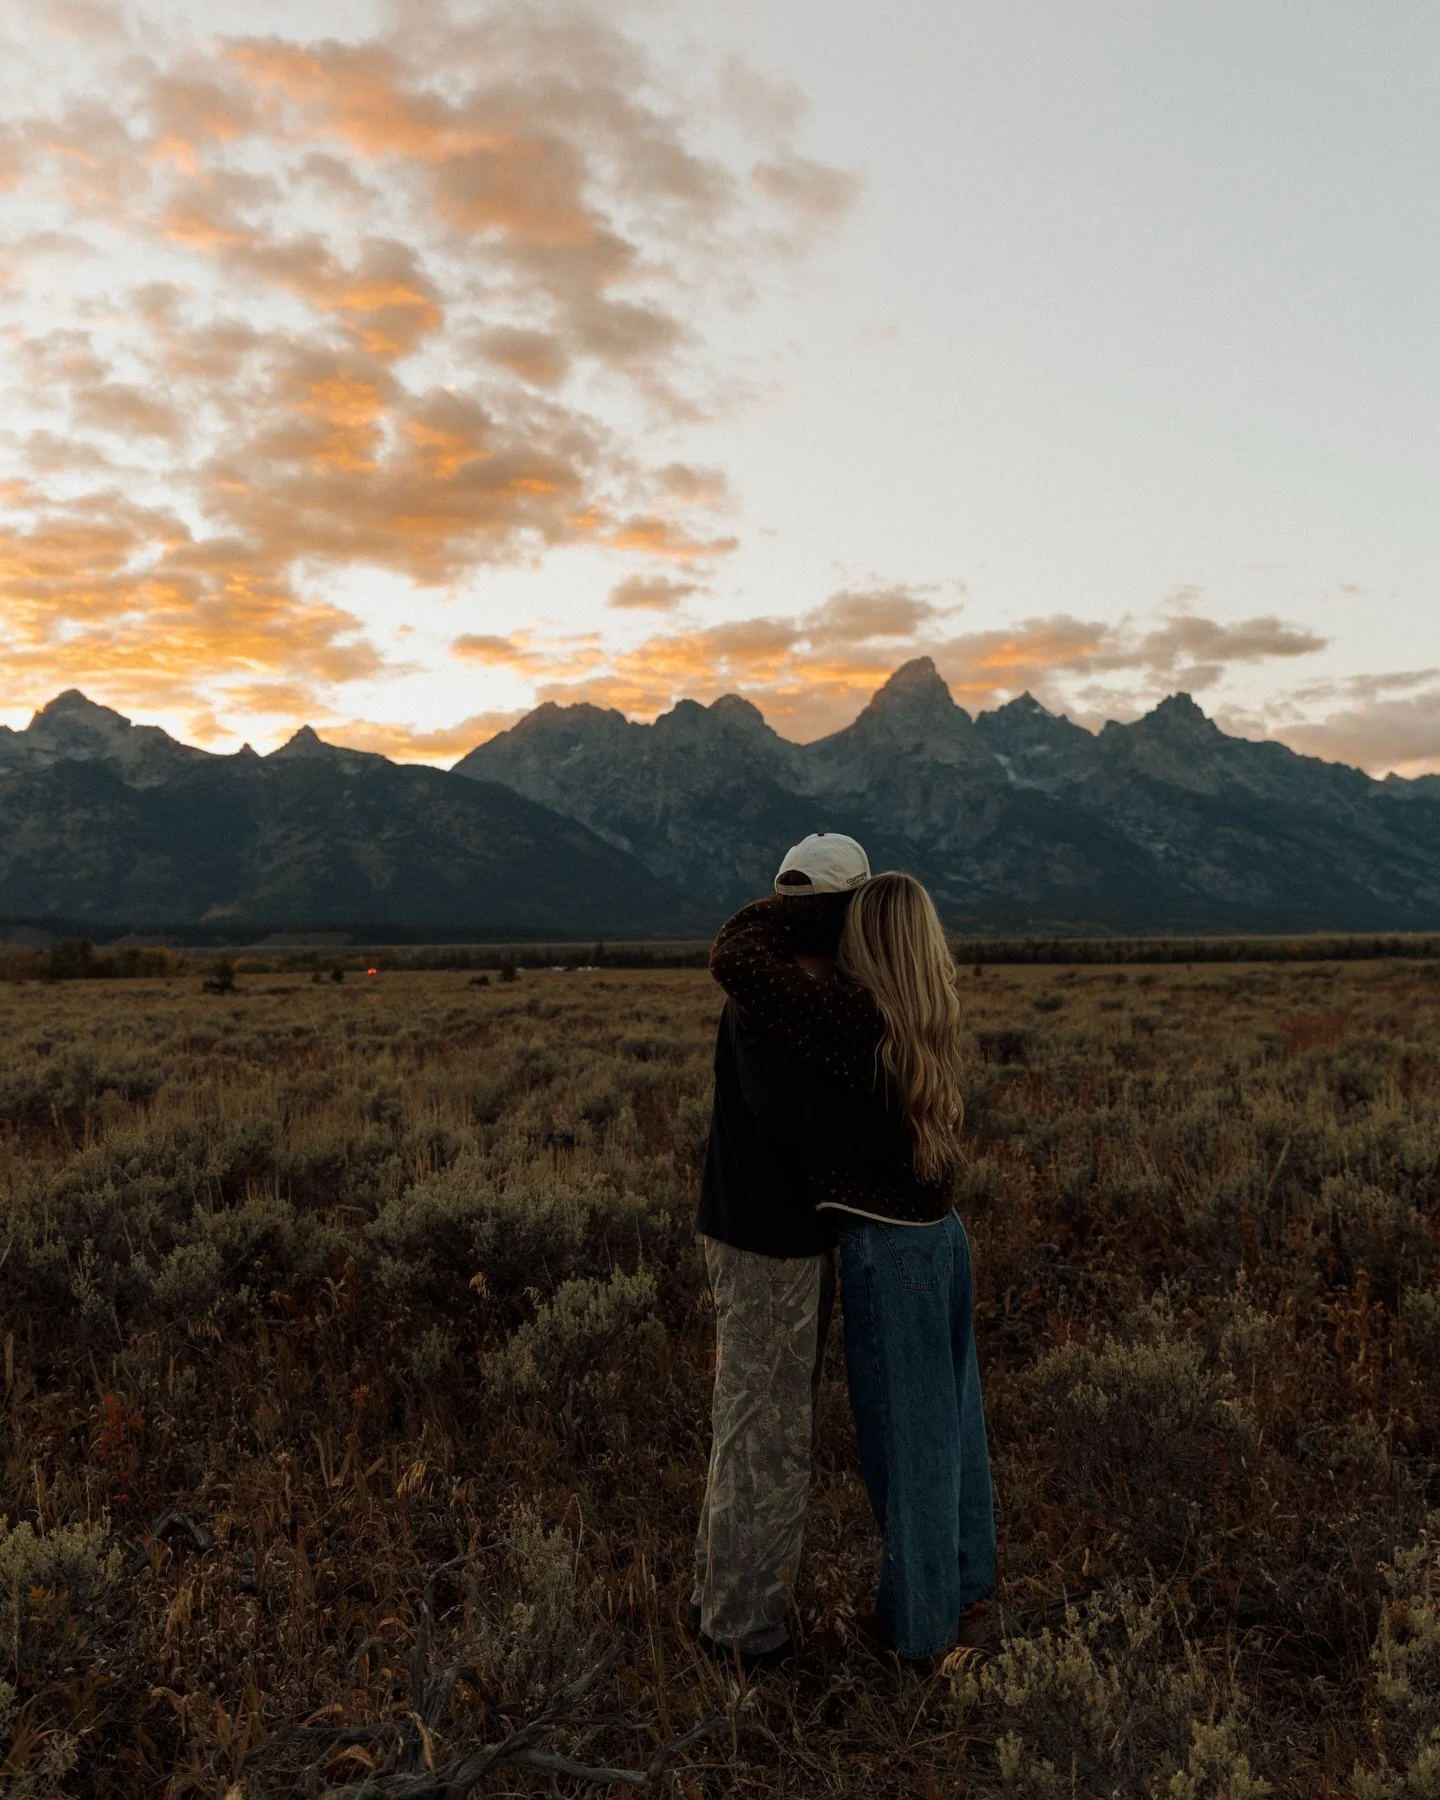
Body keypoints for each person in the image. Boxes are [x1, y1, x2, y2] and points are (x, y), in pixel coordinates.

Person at [709, 869, 995, 1666]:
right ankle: (968, 1597)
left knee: (907, 1450)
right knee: (954, 1431)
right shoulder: (919, 1007)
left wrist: (796, 907)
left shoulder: (845, 1013)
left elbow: (737, 955)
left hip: (890, 1245)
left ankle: (919, 1635)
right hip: (943, 1236)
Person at [689, 831, 873, 1670]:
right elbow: (799, 1124)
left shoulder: (787, 990)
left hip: (766, 1235)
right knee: (766, 1436)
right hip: (769, 1242)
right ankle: (744, 1639)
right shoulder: (776, 999)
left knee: (752, 1425)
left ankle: (717, 1606)